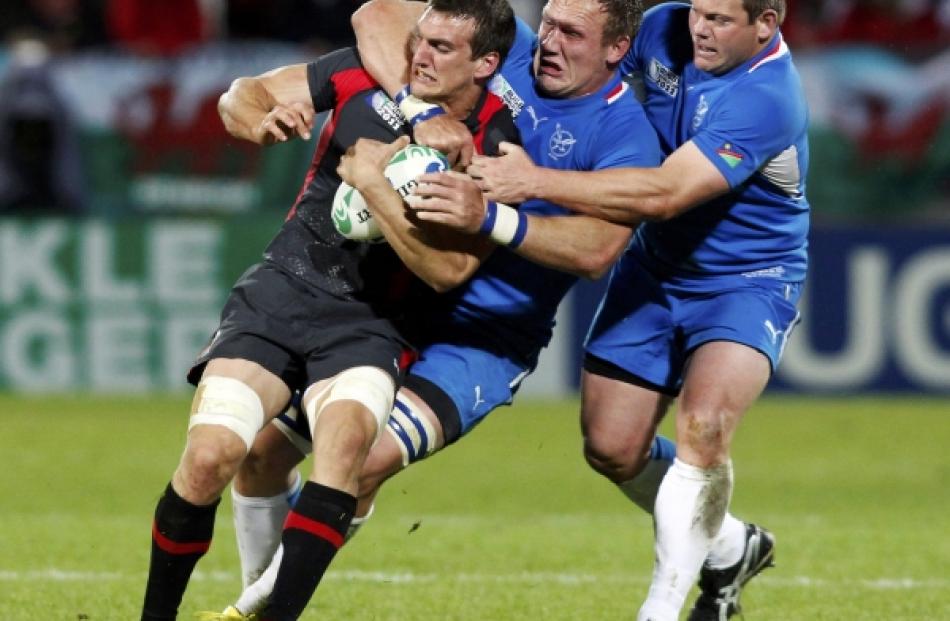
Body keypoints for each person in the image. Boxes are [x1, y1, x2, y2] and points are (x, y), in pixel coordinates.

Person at [213, 1, 779, 620]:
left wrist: (494, 216)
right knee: (263, 455)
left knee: (359, 460)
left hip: (481, 338)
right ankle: (729, 543)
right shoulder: (505, 49)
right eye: (550, 23)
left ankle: (258, 612)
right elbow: (377, 14)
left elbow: (597, 250)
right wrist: (420, 108)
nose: (549, 44)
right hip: (393, 304)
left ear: (618, 49)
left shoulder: (627, 134)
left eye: (572, 34)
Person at [414, 1, 808, 619]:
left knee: (704, 427)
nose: (699, 28)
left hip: (746, 280)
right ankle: (731, 545)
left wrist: (534, 180)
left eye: (720, 20)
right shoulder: (660, 29)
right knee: (612, 447)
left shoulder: (769, 98)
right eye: (698, 11)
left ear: (768, 23)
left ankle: (660, 608)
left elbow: (667, 192)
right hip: (654, 271)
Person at [138, 2, 518, 619]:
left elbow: (450, 272)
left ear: (486, 64)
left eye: (443, 49)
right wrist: (261, 119)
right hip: (282, 290)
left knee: (343, 450)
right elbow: (240, 94)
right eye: (420, 39)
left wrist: (372, 183)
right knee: (210, 458)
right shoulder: (362, 76)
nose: (420, 55)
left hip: (371, 325)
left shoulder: (493, 143)